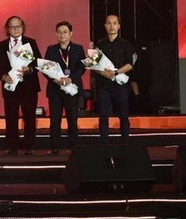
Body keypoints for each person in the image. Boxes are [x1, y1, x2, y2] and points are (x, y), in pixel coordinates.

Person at [0, 16, 39, 155]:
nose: (16, 29)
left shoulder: (31, 42)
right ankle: (12, 147)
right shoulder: (1, 45)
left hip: (28, 87)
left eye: (18, 26)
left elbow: (37, 62)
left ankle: (29, 147)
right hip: (11, 86)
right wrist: (3, 76)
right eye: (12, 27)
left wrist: (29, 69)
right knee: (11, 117)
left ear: (23, 27)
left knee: (29, 117)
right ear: (7, 29)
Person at [43, 21, 86, 154]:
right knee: (55, 120)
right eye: (59, 32)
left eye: (65, 32)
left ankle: (73, 147)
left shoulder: (78, 48)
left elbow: (81, 68)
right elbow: (45, 68)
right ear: (56, 34)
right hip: (55, 89)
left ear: (71, 33)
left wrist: (70, 79)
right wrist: (55, 79)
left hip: (71, 88)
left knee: (72, 119)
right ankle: (54, 147)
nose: (62, 35)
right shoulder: (51, 49)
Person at [94, 14, 135, 143]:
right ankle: (104, 143)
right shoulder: (99, 44)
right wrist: (102, 73)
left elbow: (130, 64)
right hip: (104, 86)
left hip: (120, 86)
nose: (111, 26)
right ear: (105, 26)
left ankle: (125, 142)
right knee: (103, 116)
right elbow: (94, 64)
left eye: (114, 23)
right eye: (109, 23)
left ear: (118, 26)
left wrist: (116, 72)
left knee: (123, 115)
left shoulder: (125, 44)